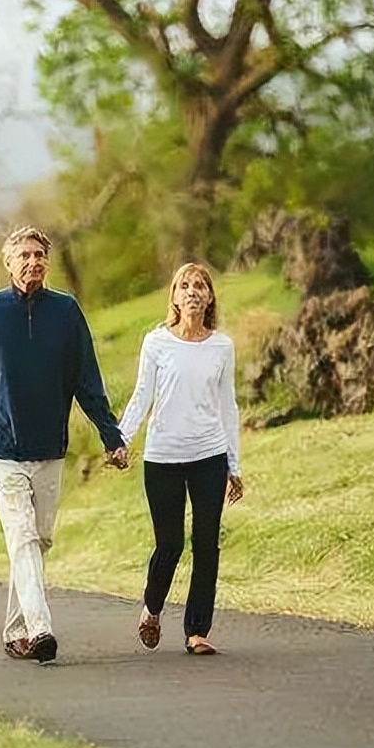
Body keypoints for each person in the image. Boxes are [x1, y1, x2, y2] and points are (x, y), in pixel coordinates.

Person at [0, 225, 128, 664]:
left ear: (47, 262)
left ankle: (15, 629)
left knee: (38, 541)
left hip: (49, 447)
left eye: (39, 255)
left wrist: (111, 436)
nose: (33, 262)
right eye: (24, 255)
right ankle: (40, 628)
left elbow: (86, 380)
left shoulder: (66, 312)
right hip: (0, 448)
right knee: (23, 535)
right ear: (8, 262)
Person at [117, 262, 244, 655]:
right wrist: (120, 439)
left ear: (209, 298)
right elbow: (142, 396)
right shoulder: (156, 343)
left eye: (200, 286)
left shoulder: (222, 346)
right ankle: (152, 609)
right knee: (169, 544)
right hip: (163, 457)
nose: (192, 291)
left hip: (209, 454)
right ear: (173, 297)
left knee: (207, 543)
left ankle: (197, 631)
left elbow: (228, 406)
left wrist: (233, 465)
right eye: (184, 286)